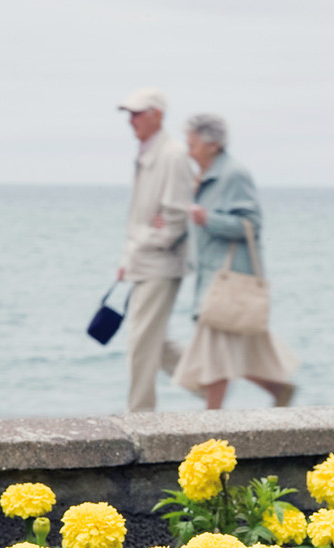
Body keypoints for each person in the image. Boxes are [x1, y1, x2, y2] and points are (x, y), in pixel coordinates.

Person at [171, 113, 298, 410]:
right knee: (225, 356)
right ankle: (278, 390)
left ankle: (211, 426)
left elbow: (251, 225)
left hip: (228, 280)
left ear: (213, 144)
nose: (189, 151)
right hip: (211, 278)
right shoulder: (203, 177)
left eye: (192, 145)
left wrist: (209, 219)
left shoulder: (233, 174)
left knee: (216, 359)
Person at [115, 87, 195, 413]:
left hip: (160, 262)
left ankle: (140, 418)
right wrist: (130, 256)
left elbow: (174, 221)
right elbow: (148, 220)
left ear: (157, 115)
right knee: (152, 342)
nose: (131, 120)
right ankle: (212, 385)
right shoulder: (151, 151)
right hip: (145, 260)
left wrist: (142, 244)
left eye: (137, 113)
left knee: (141, 343)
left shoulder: (172, 155)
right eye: (129, 113)